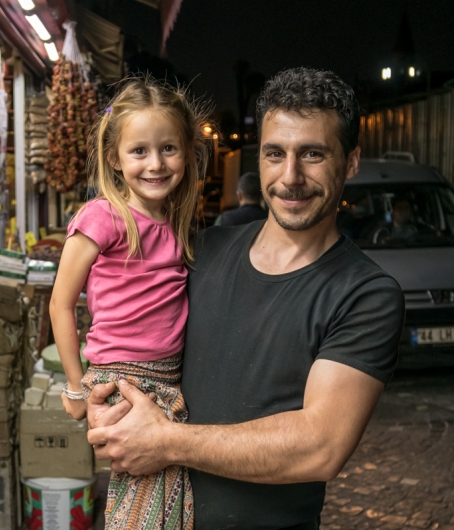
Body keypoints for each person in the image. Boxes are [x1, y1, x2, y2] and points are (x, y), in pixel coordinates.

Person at [86, 68, 406, 529]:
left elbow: (321, 447)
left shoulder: (365, 294)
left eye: (313, 154)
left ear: (351, 161)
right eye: (275, 154)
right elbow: (128, 333)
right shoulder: (205, 249)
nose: (290, 177)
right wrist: (104, 396)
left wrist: (164, 441)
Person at [49, 77, 209, 530]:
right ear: (115, 160)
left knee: (163, 505)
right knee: (142, 507)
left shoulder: (175, 219)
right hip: (123, 379)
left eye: (168, 149)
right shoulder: (103, 216)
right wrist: (77, 390)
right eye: (139, 150)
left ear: (187, 151)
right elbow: (60, 305)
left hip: (165, 378)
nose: (155, 164)